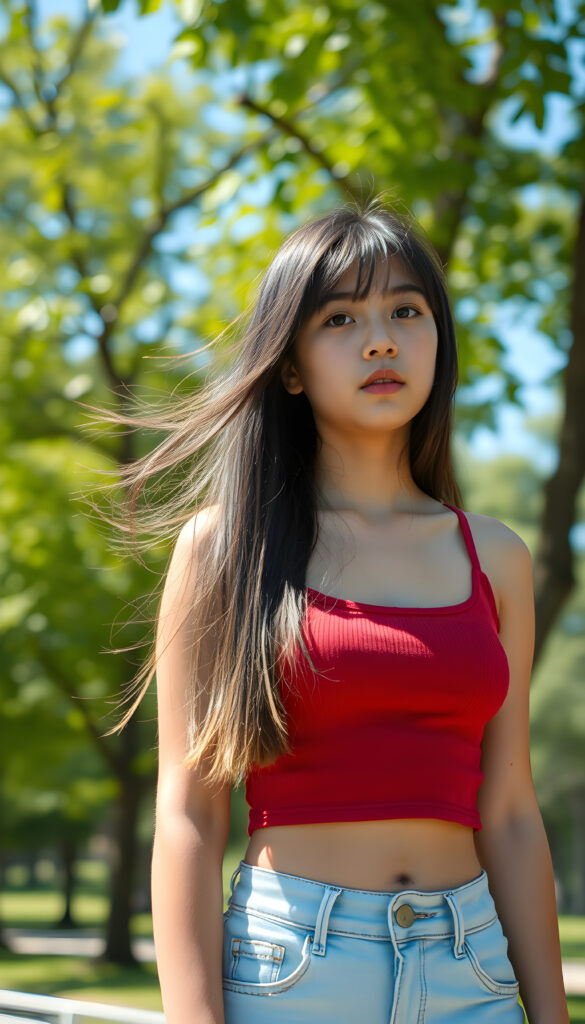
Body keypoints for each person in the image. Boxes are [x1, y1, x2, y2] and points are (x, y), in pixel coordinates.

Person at [100, 196, 568, 1023]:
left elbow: (510, 814)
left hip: (472, 967)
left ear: (436, 341)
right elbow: (188, 813)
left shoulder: (496, 556)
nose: (380, 338)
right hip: (293, 970)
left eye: (405, 310)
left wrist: (549, 1013)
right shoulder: (225, 549)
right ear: (289, 366)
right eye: (339, 318)